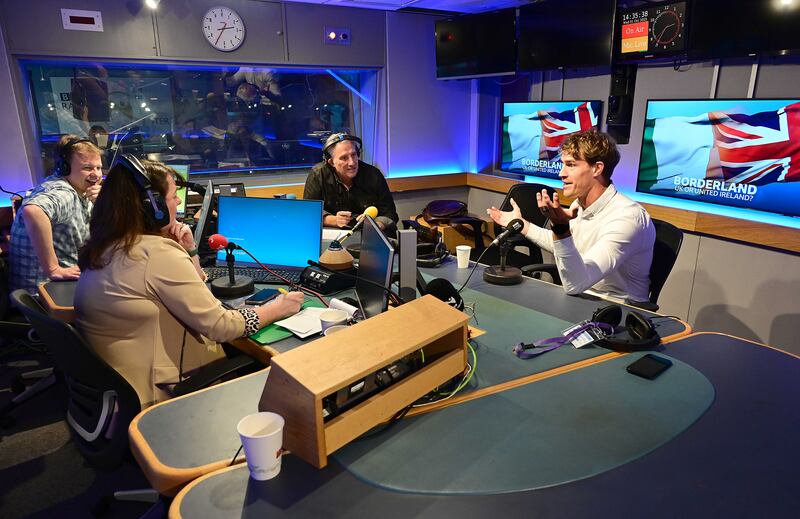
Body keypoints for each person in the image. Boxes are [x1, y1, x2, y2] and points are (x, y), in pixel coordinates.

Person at [74, 156, 303, 408]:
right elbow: (220, 326)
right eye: (173, 196)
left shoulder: (108, 245)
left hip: (118, 391)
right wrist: (276, 309)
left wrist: (189, 251)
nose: (177, 202)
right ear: (153, 206)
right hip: (161, 396)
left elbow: (193, 293)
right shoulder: (156, 253)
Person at [488, 130, 655, 303]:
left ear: (597, 168)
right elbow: (568, 248)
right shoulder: (580, 205)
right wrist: (522, 225)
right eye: (563, 164)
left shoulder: (627, 218)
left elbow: (575, 283)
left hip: (618, 309)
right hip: (582, 297)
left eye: (571, 165)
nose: (561, 173)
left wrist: (560, 228)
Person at [9, 135, 103, 293]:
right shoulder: (64, 192)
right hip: (43, 293)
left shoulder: (80, 189)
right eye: (87, 168)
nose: (96, 174)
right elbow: (33, 210)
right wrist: (53, 269)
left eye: (98, 167)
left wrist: (102, 204)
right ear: (64, 168)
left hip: (54, 287)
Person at [303, 133, 399, 234]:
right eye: (344, 158)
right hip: (334, 235)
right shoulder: (318, 175)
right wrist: (333, 220)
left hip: (369, 235)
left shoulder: (374, 175)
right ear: (331, 162)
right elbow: (309, 213)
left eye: (353, 155)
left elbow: (390, 213)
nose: (352, 162)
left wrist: (377, 225)